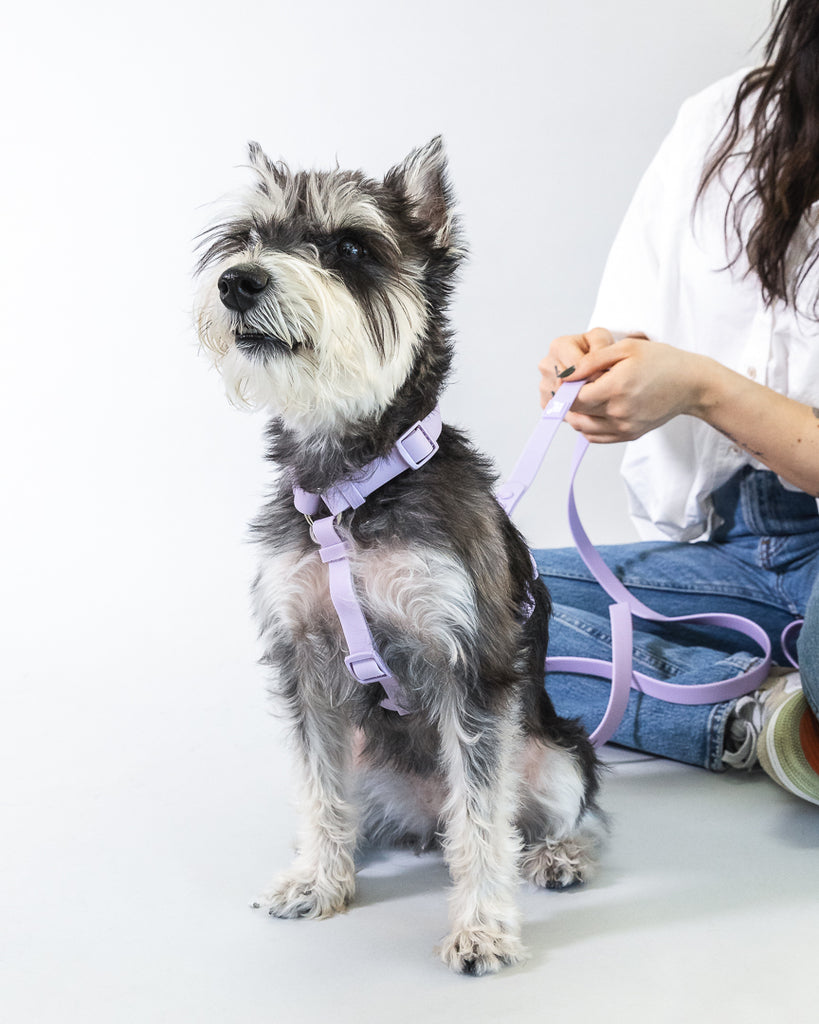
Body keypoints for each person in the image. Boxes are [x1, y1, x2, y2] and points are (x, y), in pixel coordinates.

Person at [535, 0, 819, 805]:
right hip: (724, 542)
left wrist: (697, 386)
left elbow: (688, 376)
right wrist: (592, 366)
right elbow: (625, 331)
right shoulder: (715, 125)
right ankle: (762, 710)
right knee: (440, 614)